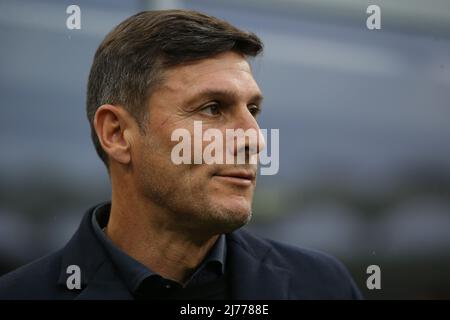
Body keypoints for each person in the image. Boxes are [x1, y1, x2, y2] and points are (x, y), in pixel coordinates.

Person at [0, 9, 362, 299]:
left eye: (252, 111)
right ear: (117, 134)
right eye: (212, 108)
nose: (254, 140)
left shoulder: (321, 285)